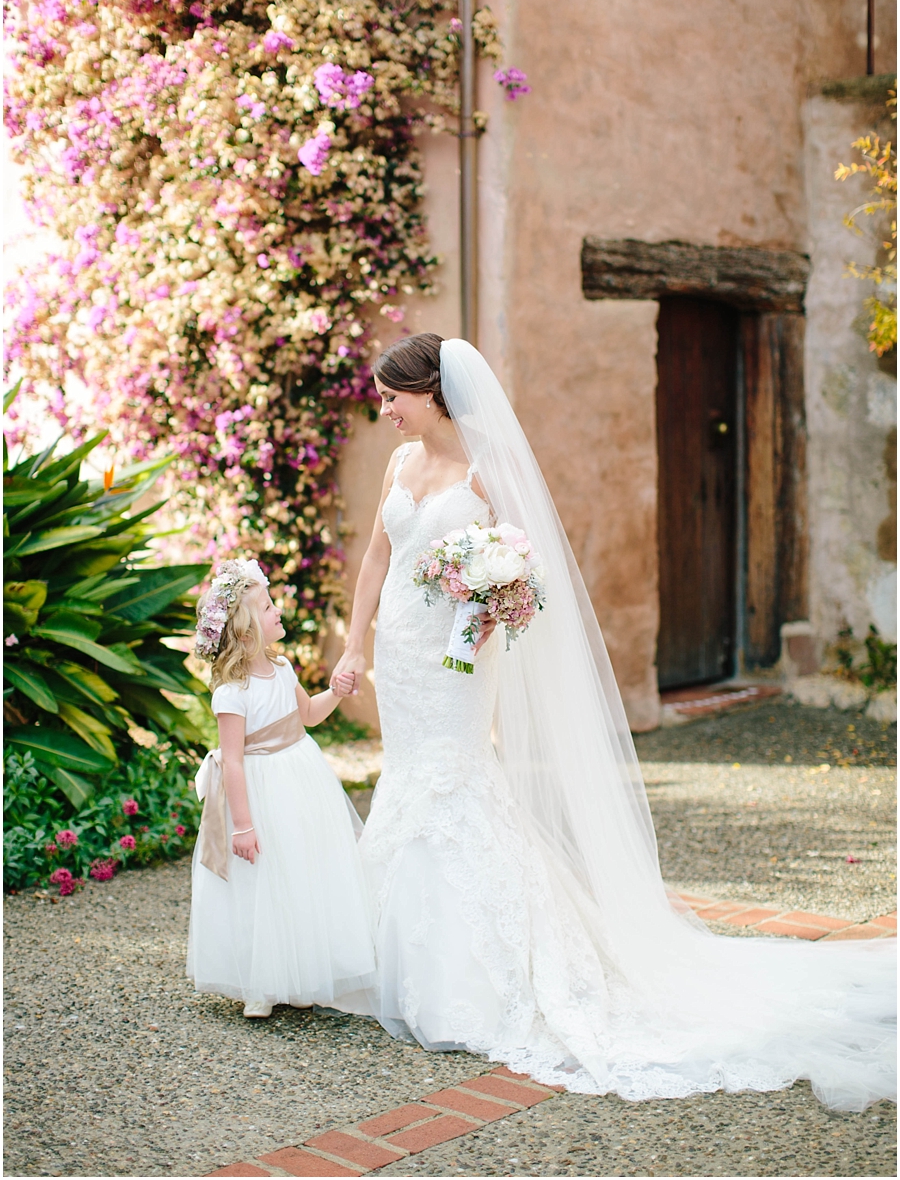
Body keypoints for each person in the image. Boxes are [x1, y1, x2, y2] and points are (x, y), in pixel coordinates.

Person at [331, 333, 895, 1110]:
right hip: (399, 654)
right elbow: (375, 559)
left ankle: (475, 974)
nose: (384, 408)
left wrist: (496, 606)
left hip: (457, 663)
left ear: (432, 392)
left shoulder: (487, 471)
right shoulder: (399, 466)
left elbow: (530, 570)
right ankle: (390, 954)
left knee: (457, 781)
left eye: (393, 395)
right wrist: (354, 640)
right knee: (408, 779)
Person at [186, 558, 376, 1018]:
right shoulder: (232, 692)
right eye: (268, 606)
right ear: (248, 631)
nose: (277, 611)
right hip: (261, 791)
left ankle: (301, 973)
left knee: (301, 872)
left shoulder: (285, 668)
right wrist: (243, 826)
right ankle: (260, 982)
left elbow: (307, 716)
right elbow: (232, 761)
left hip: (301, 780)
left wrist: (338, 690)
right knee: (261, 882)